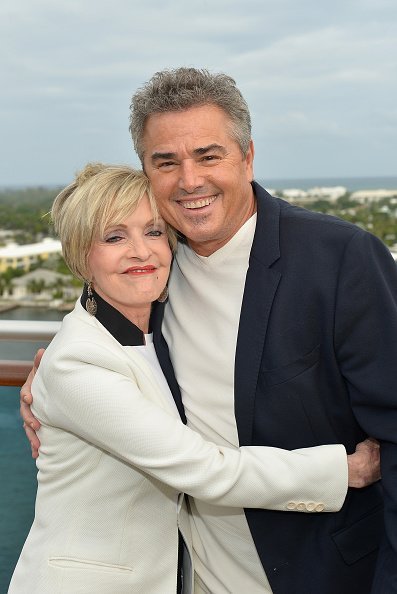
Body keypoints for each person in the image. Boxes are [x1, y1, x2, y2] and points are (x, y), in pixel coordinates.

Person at [20, 67, 392, 593]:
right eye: (166, 162)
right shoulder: (160, 268)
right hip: (195, 577)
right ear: (146, 171)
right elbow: (106, 322)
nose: (190, 180)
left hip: (321, 574)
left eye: (208, 155)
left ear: (248, 156)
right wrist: (52, 374)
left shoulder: (340, 258)